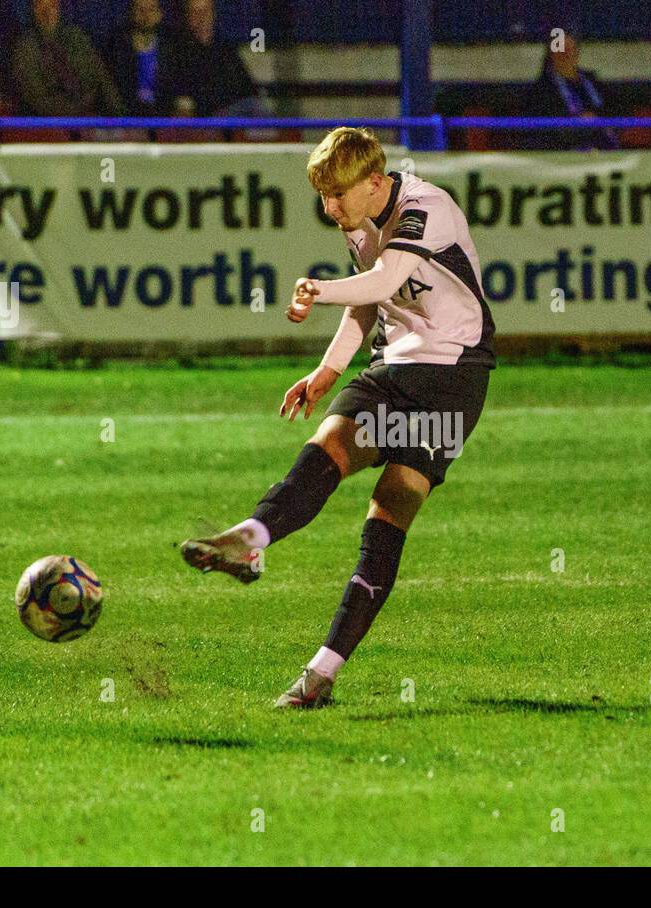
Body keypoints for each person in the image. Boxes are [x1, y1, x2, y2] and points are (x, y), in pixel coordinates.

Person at [180, 127, 495, 709]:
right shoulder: (359, 221)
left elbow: (384, 280)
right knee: (329, 448)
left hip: (452, 375)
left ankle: (321, 673)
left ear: (375, 183)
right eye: (322, 196)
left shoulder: (428, 208)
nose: (330, 208)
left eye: (339, 195)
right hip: (395, 367)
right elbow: (369, 302)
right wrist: (327, 371)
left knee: (389, 512)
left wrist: (314, 288)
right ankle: (251, 541)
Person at [11, 0, 124, 117]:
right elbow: (40, 101)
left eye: (53, 5)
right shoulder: (25, 48)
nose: (47, 12)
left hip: (91, 117)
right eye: (40, 5)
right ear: (32, 11)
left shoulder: (76, 38)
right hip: (52, 125)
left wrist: (121, 118)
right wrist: (81, 114)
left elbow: (103, 79)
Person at [166, 0, 261, 118]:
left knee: (256, 109)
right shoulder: (178, 50)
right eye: (196, 13)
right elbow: (182, 95)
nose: (202, 18)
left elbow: (247, 88)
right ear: (188, 16)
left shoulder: (224, 47)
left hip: (232, 113)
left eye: (205, 11)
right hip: (204, 117)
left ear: (213, 14)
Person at [105, 0, 180, 116]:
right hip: (126, 114)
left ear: (159, 14)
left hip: (164, 115)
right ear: (131, 12)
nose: (146, 15)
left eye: (151, 9)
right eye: (140, 9)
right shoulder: (116, 46)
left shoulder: (172, 46)